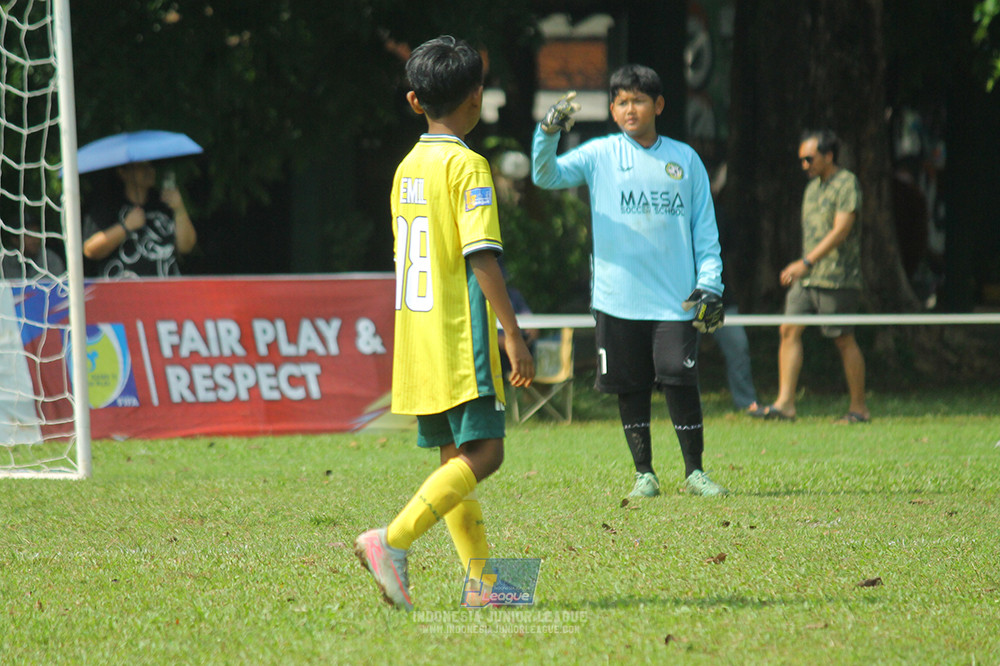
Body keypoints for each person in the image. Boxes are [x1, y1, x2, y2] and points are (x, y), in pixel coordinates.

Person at [354, 35, 535, 611]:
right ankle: (391, 541)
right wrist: (512, 332)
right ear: (477, 96)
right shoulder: (468, 164)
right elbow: (482, 254)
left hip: (419, 336)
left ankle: (483, 583)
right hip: (462, 338)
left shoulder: (407, 166)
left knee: (455, 458)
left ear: (415, 101)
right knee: (487, 454)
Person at [532, 64, 729, 498]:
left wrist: (710, 283)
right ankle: (645, 474)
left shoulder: (685, 159)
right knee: (631, 385)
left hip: (677, 299)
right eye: (620, 101)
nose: (629, 108)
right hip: (617, 298)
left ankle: (695, 471)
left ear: (658, 105)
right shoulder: (599, 154)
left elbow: (705, 229)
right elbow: (545, 176)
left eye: (638, 100)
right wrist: (547, 132)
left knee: (679, 376)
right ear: (612, 107)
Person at [751, 129, 869, 424]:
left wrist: (805, 261)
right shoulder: (812, 187)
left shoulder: (847, 183)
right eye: (801, 160)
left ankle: (859, 409)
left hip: (837, 277)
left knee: (843, 338)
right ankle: (785, 404)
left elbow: (841, 230)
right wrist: (802, 267)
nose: (804, 165)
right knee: (788, 330)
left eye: (809, 158)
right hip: (807, 277)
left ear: (829, 156)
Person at [82, 161, 196, 277]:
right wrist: (125, 227)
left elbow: (186, 247)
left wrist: (179, 208)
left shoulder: (163, 203)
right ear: (123, 173)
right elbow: (90, 250)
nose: (149, 170)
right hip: (123, 291)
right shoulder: (107, 205)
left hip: (165, 291)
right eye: (141, 166)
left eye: (151, 165)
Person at [708, 161, 759, 413]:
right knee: (678, 359)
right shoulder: (677, 215)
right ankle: (683, 405)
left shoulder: (719, 214)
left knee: (738, 348)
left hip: (720, 297)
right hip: (682, 297)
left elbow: (728, 250)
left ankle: (746, 402)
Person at [1, 213, 66, 280]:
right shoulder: (4, 261)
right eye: (29, 236)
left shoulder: (50, 260)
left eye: (37, 234)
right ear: (15, 239)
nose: (35, 240)